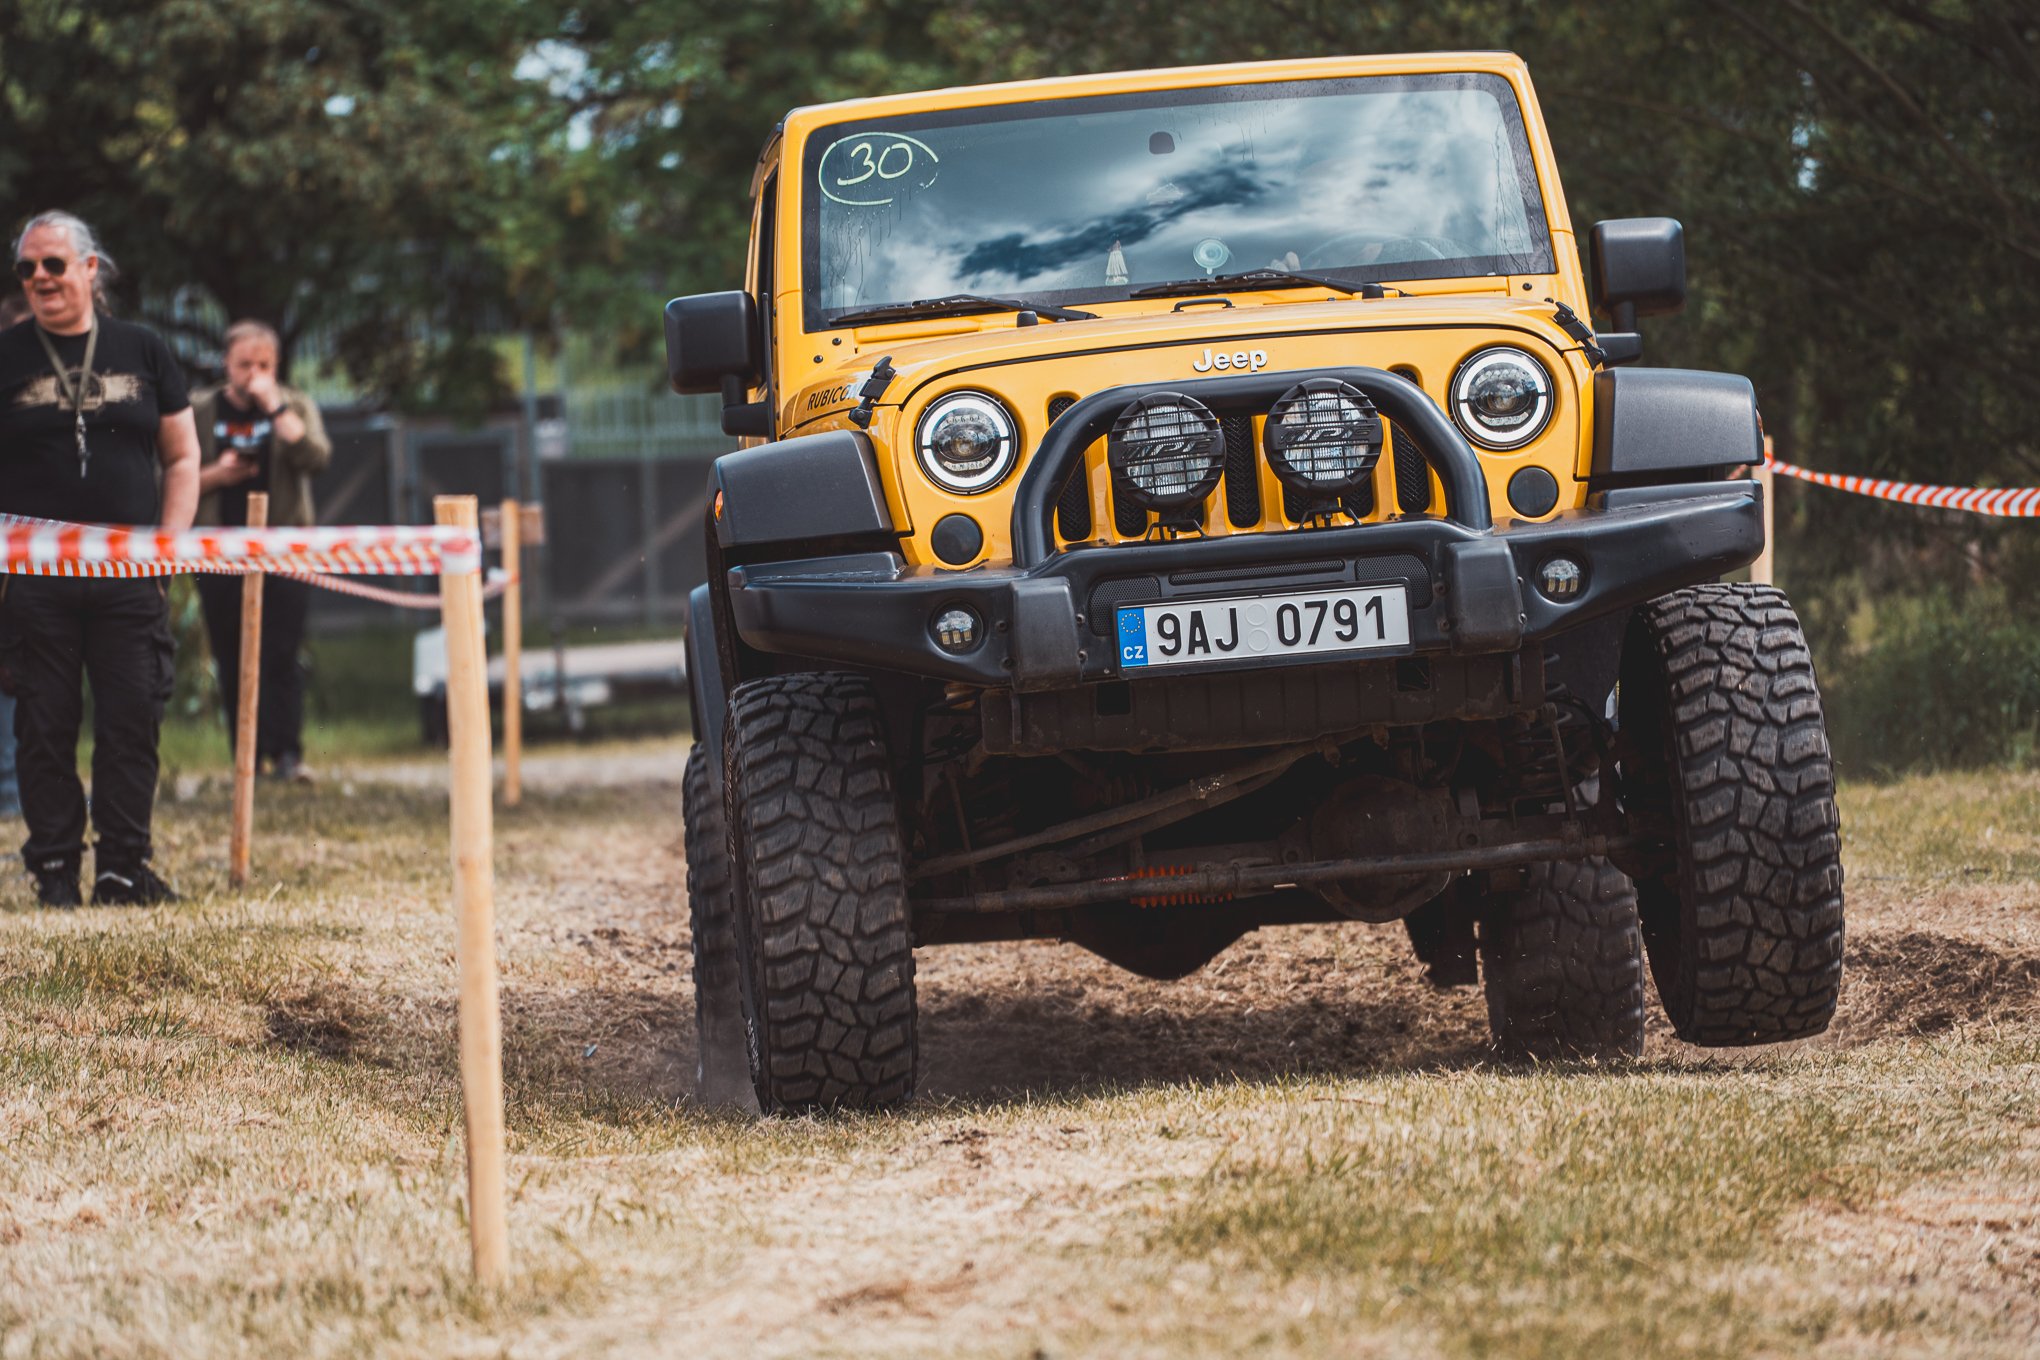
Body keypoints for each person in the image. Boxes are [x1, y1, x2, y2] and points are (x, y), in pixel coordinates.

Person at [0, 210, 199, 907]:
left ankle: (122, 867)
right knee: (45, 724)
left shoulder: (143, 349)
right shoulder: (8, 356)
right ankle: (55, 872)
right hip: (36, 578)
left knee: (132, 716)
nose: (39, 279)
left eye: (52, 264)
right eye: (27, 268)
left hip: (128, 576)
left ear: (90, 267)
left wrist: (166, 548)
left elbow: (181, 456)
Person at [192, 321, 331, 783]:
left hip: (285, 548)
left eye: (264, 365)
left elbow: (315, 458)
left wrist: (274, 406)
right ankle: (246, 757)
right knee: (232, 654)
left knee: (281, 652)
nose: (254, 374)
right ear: (226, 365)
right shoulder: (200, 409)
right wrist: (219, 475)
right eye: (244, 365)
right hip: (219, 551)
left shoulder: (295, 405)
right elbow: (169, 475)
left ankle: (287, 754)